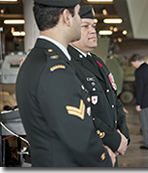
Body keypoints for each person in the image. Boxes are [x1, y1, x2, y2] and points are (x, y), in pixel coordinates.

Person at [15, 0, 115, 167]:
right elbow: (78, 137)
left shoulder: (36, 60)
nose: (79, 20)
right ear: (67, 17)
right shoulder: (55, 69)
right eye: (77, 14)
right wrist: (104, 158)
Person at [67, 5, 130, 164]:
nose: (92, 30)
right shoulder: (67, 64)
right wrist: (112, 140)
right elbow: (79, 114)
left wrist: (123, 136)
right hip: (92, 151)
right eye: (85, 26)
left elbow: (114, 101)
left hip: (111, 151)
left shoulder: (96, 62)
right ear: (72, 29)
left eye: (93, 26)